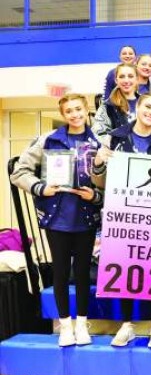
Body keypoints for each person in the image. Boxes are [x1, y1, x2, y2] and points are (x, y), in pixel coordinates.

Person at [11, 94, 102, 347]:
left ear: (87, 111)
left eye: (78, 109)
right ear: (63, 115)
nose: (74, 114)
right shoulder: (47, 141)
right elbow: (19, 172)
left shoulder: (99, 142)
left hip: (86, 218)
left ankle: (82, 325)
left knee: (82, 274)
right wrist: (40, 188)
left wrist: (95, 195)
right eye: (69, 111)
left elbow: (108, 183)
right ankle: (65, 326)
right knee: (61, 274)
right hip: (57, 218)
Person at [92, 93, 151, 348]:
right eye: (148, 106)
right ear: (138, 107)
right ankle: (126, 325)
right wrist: (99, 163)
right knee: (124, 268)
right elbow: (99, 182)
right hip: (122, 213)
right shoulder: (115, 137)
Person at [92, 63, 139, 143]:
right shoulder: (107, 106)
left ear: (137, 79)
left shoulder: (146, 103)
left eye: (130, 76)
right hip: (118, 153)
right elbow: (98, 133)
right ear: (116, 80)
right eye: (122, 77)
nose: (126, 80)